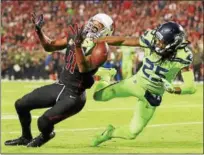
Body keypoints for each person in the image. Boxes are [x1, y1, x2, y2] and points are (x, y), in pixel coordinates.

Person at [4, 13, 114, 147]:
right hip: (60, 85)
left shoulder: (101, 49)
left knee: (43, 122)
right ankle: (26, 137)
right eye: (93, 21)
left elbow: (83, 69)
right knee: (21, 105)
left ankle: (46, 135)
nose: (92, 25)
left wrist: (77, 46)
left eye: (98, 24)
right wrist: (39, 31)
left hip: (74, 95)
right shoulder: (76, 36)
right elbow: (49, 46)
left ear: (106, 30)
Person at [91, 21, 197, 146]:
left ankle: (109, 133)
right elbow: (124, 41)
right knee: (98, 96)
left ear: (173, 44)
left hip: (151, 96)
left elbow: (191, 87)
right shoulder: (151, 38)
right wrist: (98, 40)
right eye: (157, 39)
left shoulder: (183, 55)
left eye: (161, 42)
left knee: (132, 133)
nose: (157, 42)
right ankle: (106, 76)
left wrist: (174, 89)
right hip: (136, 83)